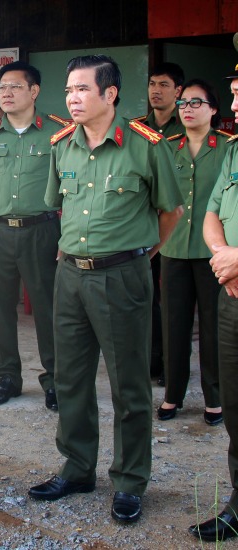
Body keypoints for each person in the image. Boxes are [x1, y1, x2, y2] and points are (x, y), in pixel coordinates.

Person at [28, 55, 183, 523]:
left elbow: (171, 212)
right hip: (71, 275)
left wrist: (140, 256)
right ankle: (77, 469)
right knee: (70, 379)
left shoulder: (146, 146)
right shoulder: (62, 146)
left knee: (128, 386)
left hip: (122, 276)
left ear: (109, 93)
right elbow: (57, 207)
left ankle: (130, 481)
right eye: (69, 91)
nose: (72, 99)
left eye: (82, 89)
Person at [0, 60, 68, 410]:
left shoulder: (58, 133)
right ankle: (7, 377)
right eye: (2, 87)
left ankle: (56, 380)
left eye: (15, 86)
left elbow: (70, 188)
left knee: (49, 309)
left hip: (43, 231)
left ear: (34, 91)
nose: (6, 93)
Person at [157, 79, 229, 425]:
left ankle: (214, 398)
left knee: (214, 327)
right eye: (183, 103)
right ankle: (173, 393)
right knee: (174, 325)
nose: (187, 108)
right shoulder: (168, 147)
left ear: (213, 109)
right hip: (173, 249)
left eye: (196, 102)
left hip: (214, 253)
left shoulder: (228, 148)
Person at [193, 63, 238, 543]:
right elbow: (211, 212)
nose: (236, 105)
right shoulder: (234, 150)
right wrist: (224, 256)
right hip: (233, 293)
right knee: (236, 404)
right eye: (235, 93)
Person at [134, 62, 186, 384]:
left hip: (182, 228)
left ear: (178, 91)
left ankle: (173, 366)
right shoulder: (138, 129)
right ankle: (153, 360)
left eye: (164, 85)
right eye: (152, 84)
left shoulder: (189, 124)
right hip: (149, 228)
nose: (156, 90)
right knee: (148, 299)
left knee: (177, 304)